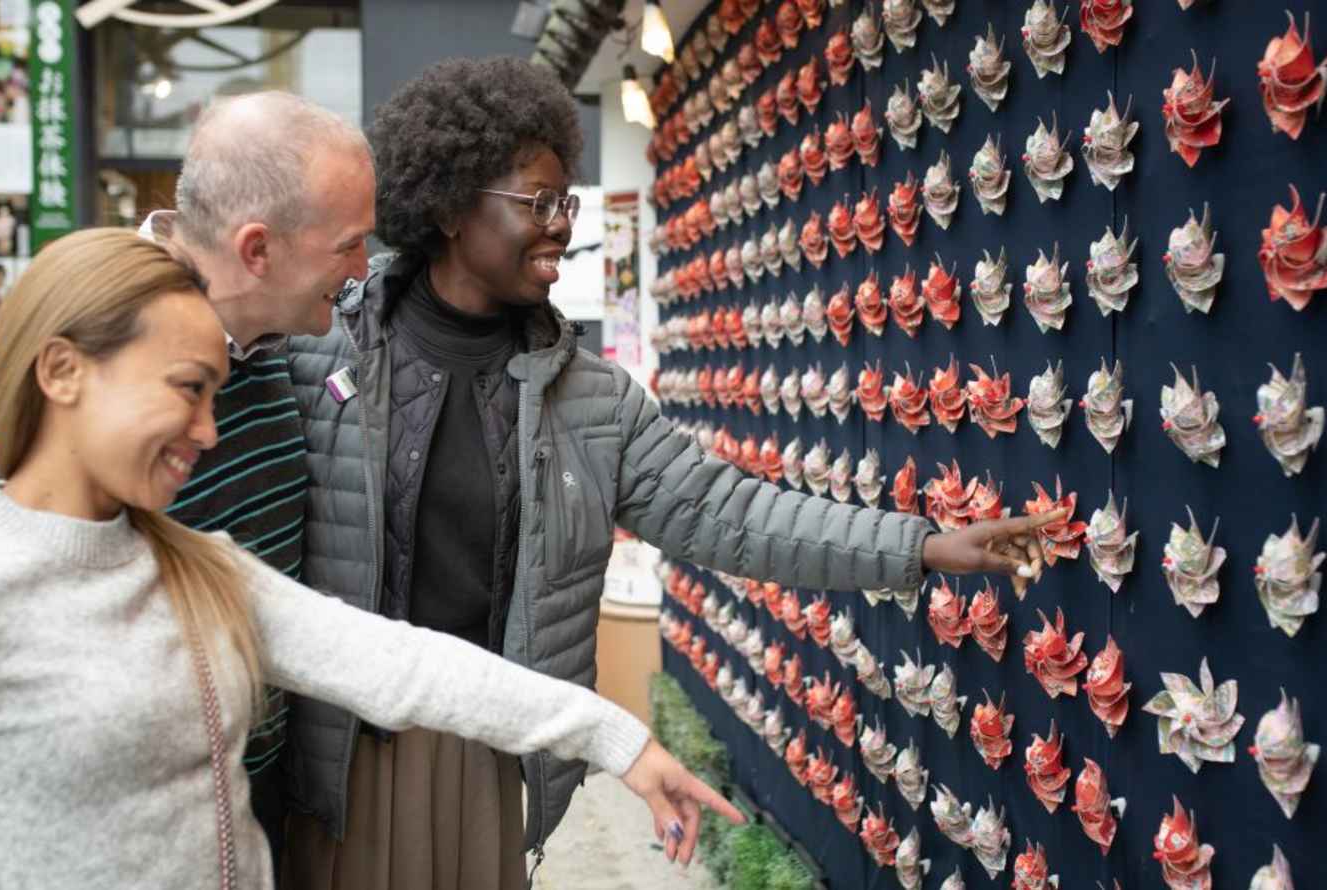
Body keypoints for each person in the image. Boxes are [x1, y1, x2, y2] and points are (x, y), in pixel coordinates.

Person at [281, 56, 1054, 890]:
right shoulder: (321, 352)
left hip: (488, 754)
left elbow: (735, 516)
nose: (561, 227)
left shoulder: (593, 400)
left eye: (565, 203)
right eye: (536, 203)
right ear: (449, 204)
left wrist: (929, 546)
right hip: (339, 760)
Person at [0, 228, 741, 889]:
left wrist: (616, 739)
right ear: (61, 372)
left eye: (216, 394)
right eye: (187, 389)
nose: (208, 431)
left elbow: (394, 662)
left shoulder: (196, 567)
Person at [0, 91, 376, 877]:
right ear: (258, 250)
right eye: (351, 245)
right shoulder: (28, 379)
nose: (361, 273)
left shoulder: (273, 355)